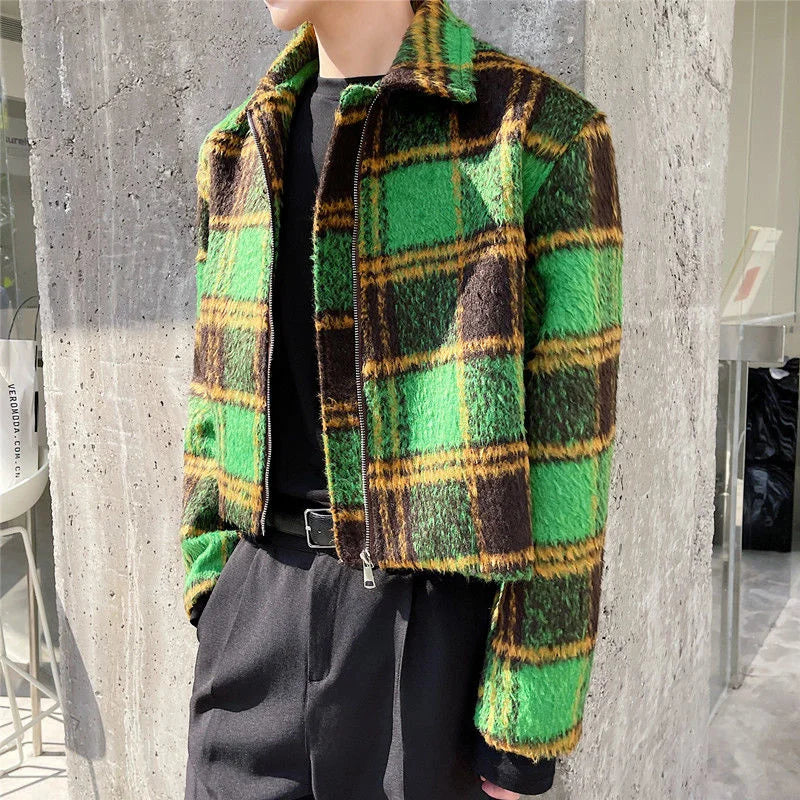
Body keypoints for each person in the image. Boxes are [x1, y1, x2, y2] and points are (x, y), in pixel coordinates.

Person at [179, 1, 623, 798]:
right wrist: (214, 590)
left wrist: (525, 726)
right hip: (255, 618)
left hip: (429, 643)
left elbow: (571, 460)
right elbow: (213, 404)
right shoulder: (238, 147)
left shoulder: (537, 136)